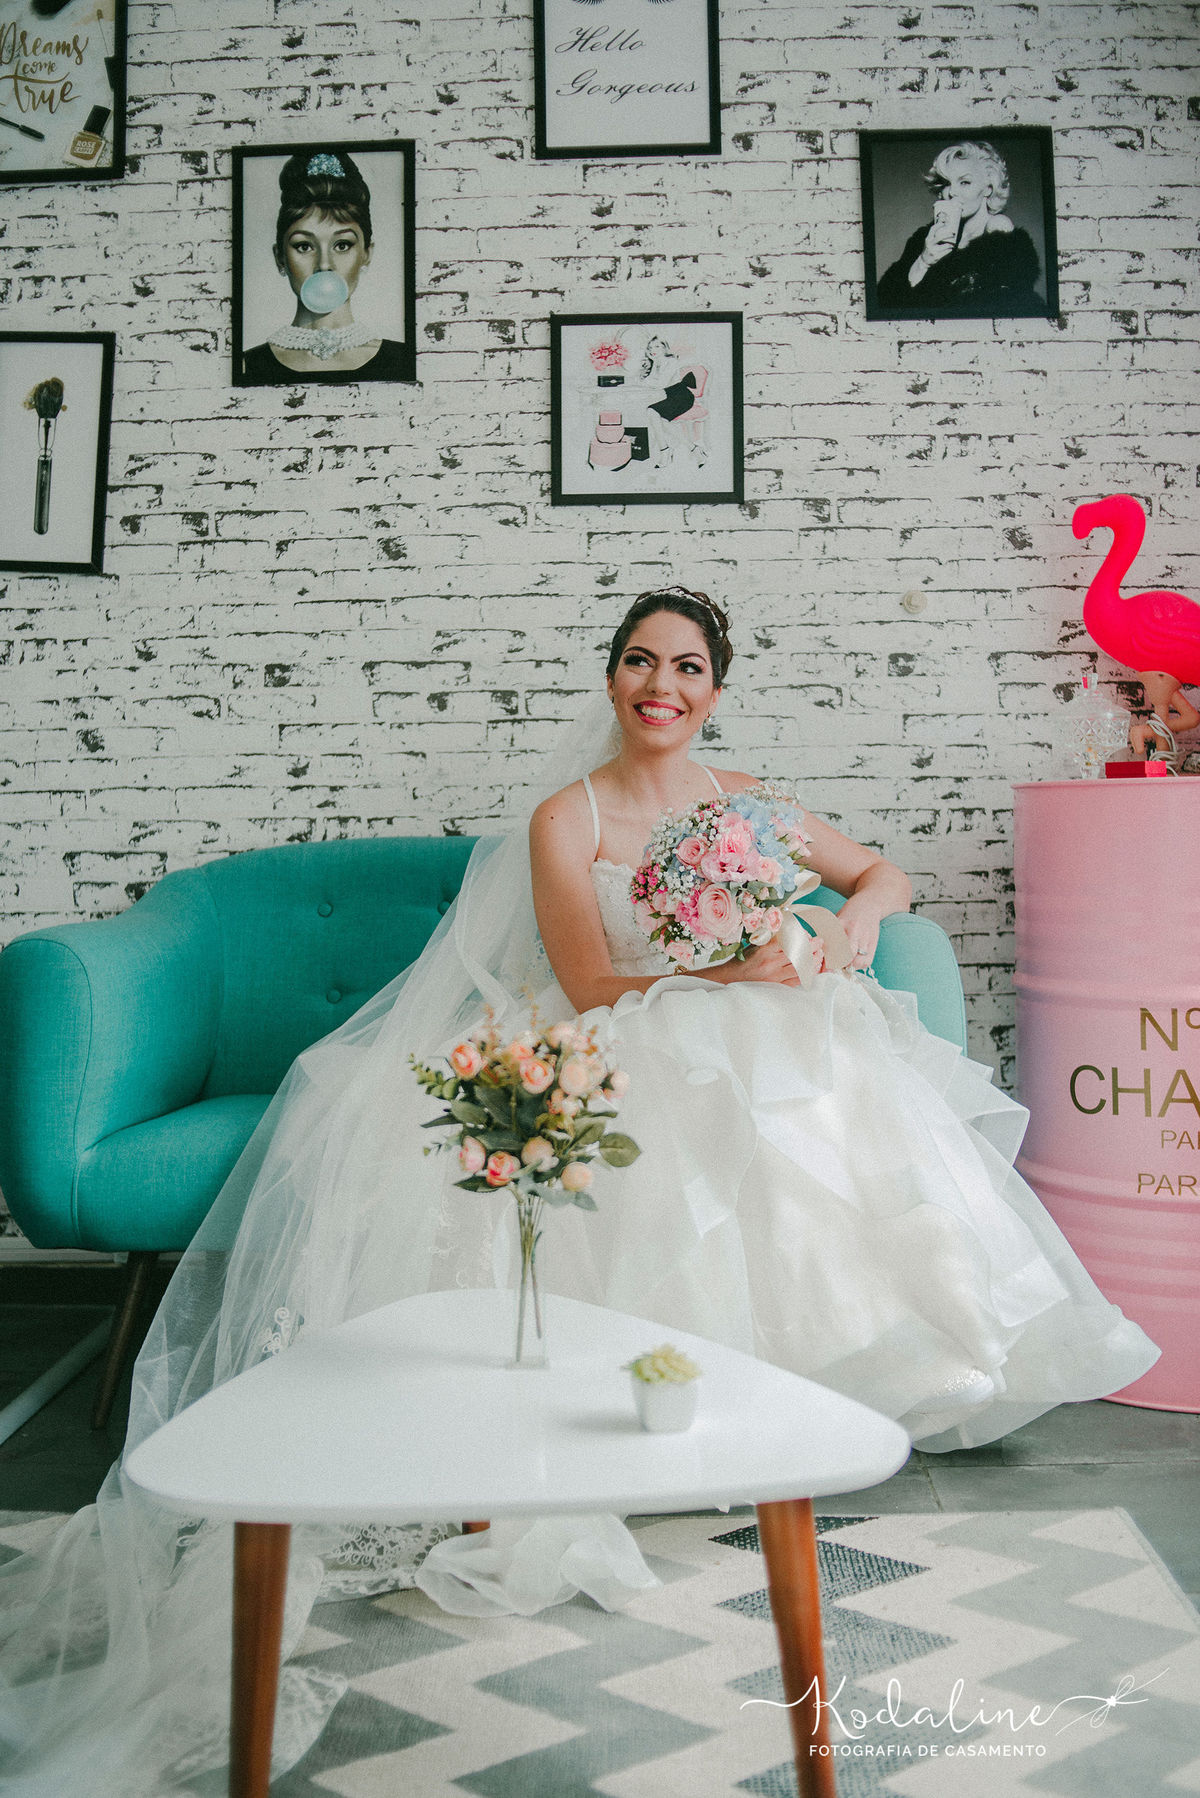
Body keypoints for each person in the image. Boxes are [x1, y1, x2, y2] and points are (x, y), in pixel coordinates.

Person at [0, 589, 1158, 1793]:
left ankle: (852, 1372)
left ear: (715, 690)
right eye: (642, 661)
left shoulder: (741, 803)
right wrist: (720, 961)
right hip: (627, 1025)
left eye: (690, 666)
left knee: (822, 1050)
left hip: (746, 1011)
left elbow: (884, 871)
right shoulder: (569, 816)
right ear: (613, 679)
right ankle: (669, 1399)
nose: (665, 683)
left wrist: (853, 916)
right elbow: (593, 985)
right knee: (722, 1057)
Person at [240, 148, 409, 384]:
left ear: (366, 254)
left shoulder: (404, 360)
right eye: (304, 246)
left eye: (342, 245)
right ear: (280, 257)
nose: (324, 265)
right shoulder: (247, 365)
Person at [876, 140, 1042, 312]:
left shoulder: (1002, 236)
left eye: (964, 182)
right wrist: (923, 262)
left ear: (988, 188)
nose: (952, 192)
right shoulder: (924, 239)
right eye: (947, 183)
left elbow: (1009, 308)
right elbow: (884, 304)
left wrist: (1000, 241)